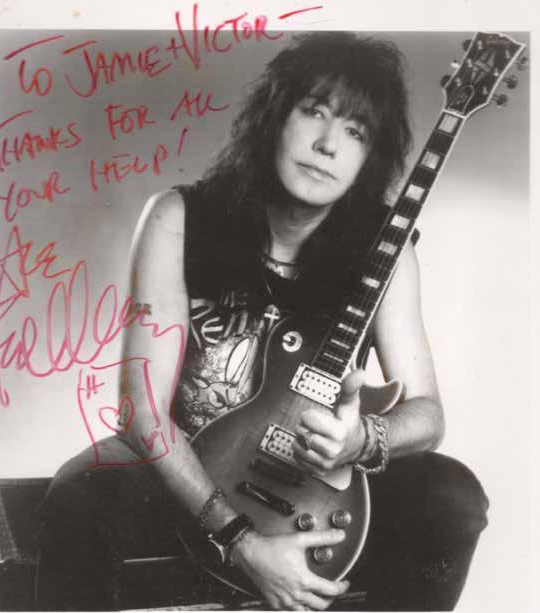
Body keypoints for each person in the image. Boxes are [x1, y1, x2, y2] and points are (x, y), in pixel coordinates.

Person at [35, 32, 489, 611]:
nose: (327, 145)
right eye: (314, 112)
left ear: (369, 157)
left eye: (355, 132)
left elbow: (428, 414)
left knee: (453, 495)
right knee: (80, 495)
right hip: (185, 475)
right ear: (275, 115)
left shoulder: (386, 251)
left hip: (313, 493)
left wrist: (363, 439)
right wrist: (240, 540)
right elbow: (141, 410)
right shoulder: (179, 217)